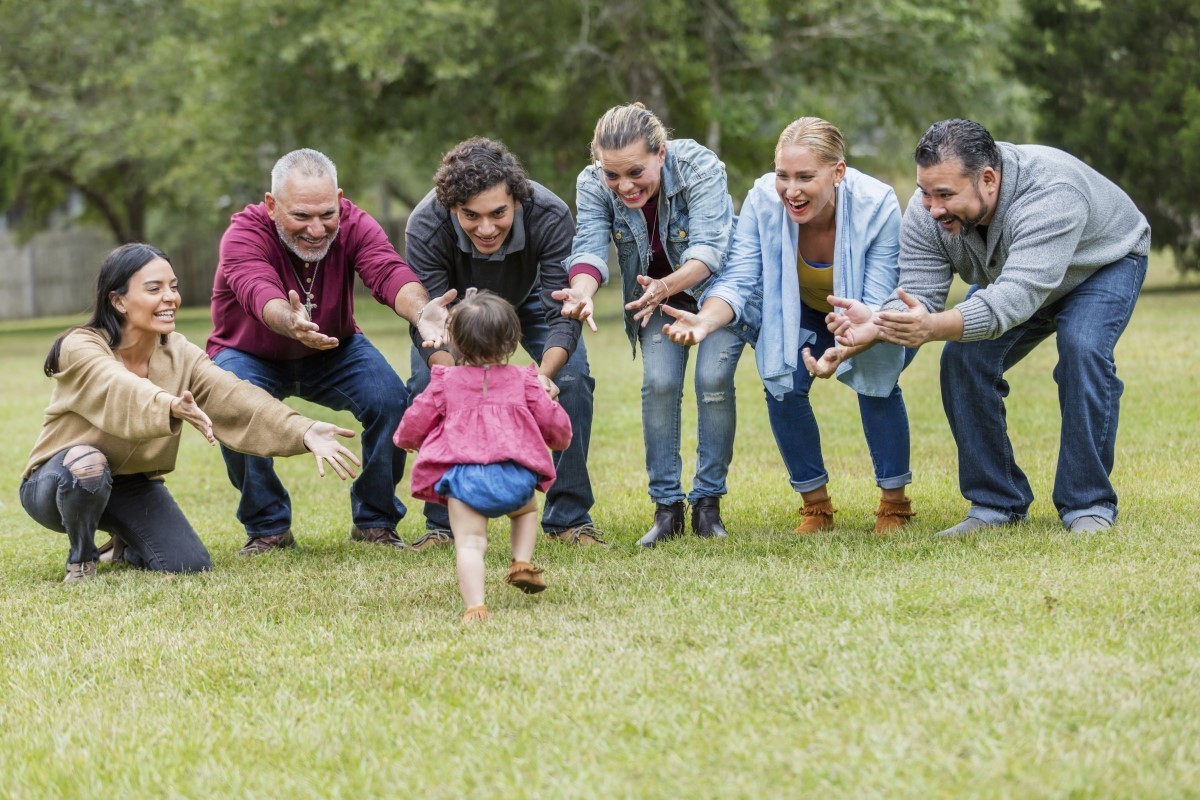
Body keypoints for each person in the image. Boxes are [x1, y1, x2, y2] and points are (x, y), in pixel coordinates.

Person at [828, 118, 1150, 536]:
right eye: (926, 192)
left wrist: (934, 327)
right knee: (963, 359)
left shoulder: (1051, 194)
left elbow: (1015, 297)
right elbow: (919, 292)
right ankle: (997, 504)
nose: (933, 208)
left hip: (1102, 263)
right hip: (1018, 275)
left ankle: (1088, 502)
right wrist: (876, 322)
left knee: (1082, 348)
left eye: (946, 195)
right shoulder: (927, 212)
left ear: (988, 179)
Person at [21, 244, 361, 583]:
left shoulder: (179, 352)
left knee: (188, 563)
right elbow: (117, 385)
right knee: (88, 463)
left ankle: (124, 543)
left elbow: (233, 395)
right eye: (154, 289)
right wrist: (168, 404)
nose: (170, 297)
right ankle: (82, 559)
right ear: (119, 301)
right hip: (60, 482)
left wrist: (302, 429)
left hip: (127, 484)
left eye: (173, 286)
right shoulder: (81, 345)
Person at [663, 117, 917, 533]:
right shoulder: (763, 200)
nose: (791, 190)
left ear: (838, 172)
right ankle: (816, 507)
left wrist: (848, 346)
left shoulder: (878, 204)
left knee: (878, 382)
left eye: (805, 177)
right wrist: (705, 321)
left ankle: (895, 503)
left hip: (869, 312)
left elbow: (877, 299)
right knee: (782, 384)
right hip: (801, 310)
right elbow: (740, 277)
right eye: (783, 175)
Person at [207, 148, 452, 554]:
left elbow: (387, 270)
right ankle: (268, 527)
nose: (317, 229)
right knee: (232, 402)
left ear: (339, 200)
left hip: (335, 350)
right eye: (301, 216)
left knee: (390, 400)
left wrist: (422, 312)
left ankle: (374, 520)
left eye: (327, 214)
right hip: (249, 353)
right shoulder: (243, 233)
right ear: (272, 205)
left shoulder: (355, 224)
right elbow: (256, 288)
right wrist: (290, 320)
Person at [558, 102, 749, 547]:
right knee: (659, 385)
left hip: (714, 292)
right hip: (655, 297)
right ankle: (667, 510)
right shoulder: (592, 182)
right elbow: (588, 248)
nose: (624, 186)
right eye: (612, 174)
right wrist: (582, 291)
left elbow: (709, 251)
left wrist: (664, 287)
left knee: (713, 380)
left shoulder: (699, 166)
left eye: (635, 172)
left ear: (660, 153)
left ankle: (708, 506)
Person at [403, 137, 602, 549]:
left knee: (573, 378)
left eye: (498, 213)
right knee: (428, 386)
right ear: (452, 208)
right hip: (454, 310)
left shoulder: (549, 214)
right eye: (470, 216)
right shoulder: (426, 224)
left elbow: (562, 314)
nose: (486, 228)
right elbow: (430, 321)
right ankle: (443, 523)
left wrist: (543, 379)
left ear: (517, 200)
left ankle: (569, 518)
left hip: (531, 299)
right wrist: (457, 383)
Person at [395, 290, 572, 621]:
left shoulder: (444, 381)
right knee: (526, 512)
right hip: (515, 478)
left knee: (470, 544)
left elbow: (417, 416)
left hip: (466, 482)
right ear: (511, 341)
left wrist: (406, 439)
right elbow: (553, 421)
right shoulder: (525, 380)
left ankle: (475, 607)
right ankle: (522, 561)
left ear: (455, 343)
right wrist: (560, 439)